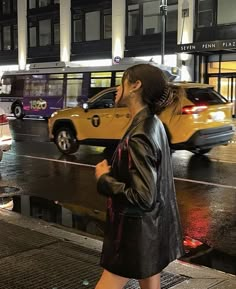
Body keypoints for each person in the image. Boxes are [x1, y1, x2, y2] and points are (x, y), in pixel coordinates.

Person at [95, 64, 184, 289]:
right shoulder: (154, 124)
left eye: (122, 81)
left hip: (133, 233)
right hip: (149, 231)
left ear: (135, 86)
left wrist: (104, 179)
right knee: (149, 276)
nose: (117, 88)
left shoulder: (140, 134)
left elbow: (144, 196)